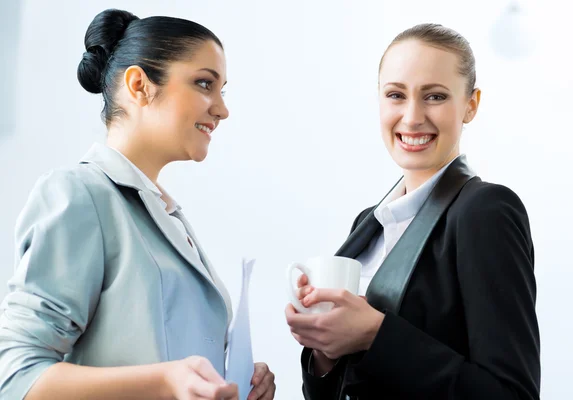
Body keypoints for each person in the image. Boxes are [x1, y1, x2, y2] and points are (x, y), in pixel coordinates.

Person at [0, 9, 275, 400]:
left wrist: (233, 376)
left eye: (222, 90)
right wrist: (164, 382)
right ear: (140, 85)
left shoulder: (167, 215)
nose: (222, 108)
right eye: (203, 84)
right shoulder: (80, 194)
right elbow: (15, 376)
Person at [285, 23, 540, 399]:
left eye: (434, 96)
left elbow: (512, 393)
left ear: (471, 105)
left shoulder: (485, 212)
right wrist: (325, 347)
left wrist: (374, 334)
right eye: (395, 95)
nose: (412, 116)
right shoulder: (368, 222)